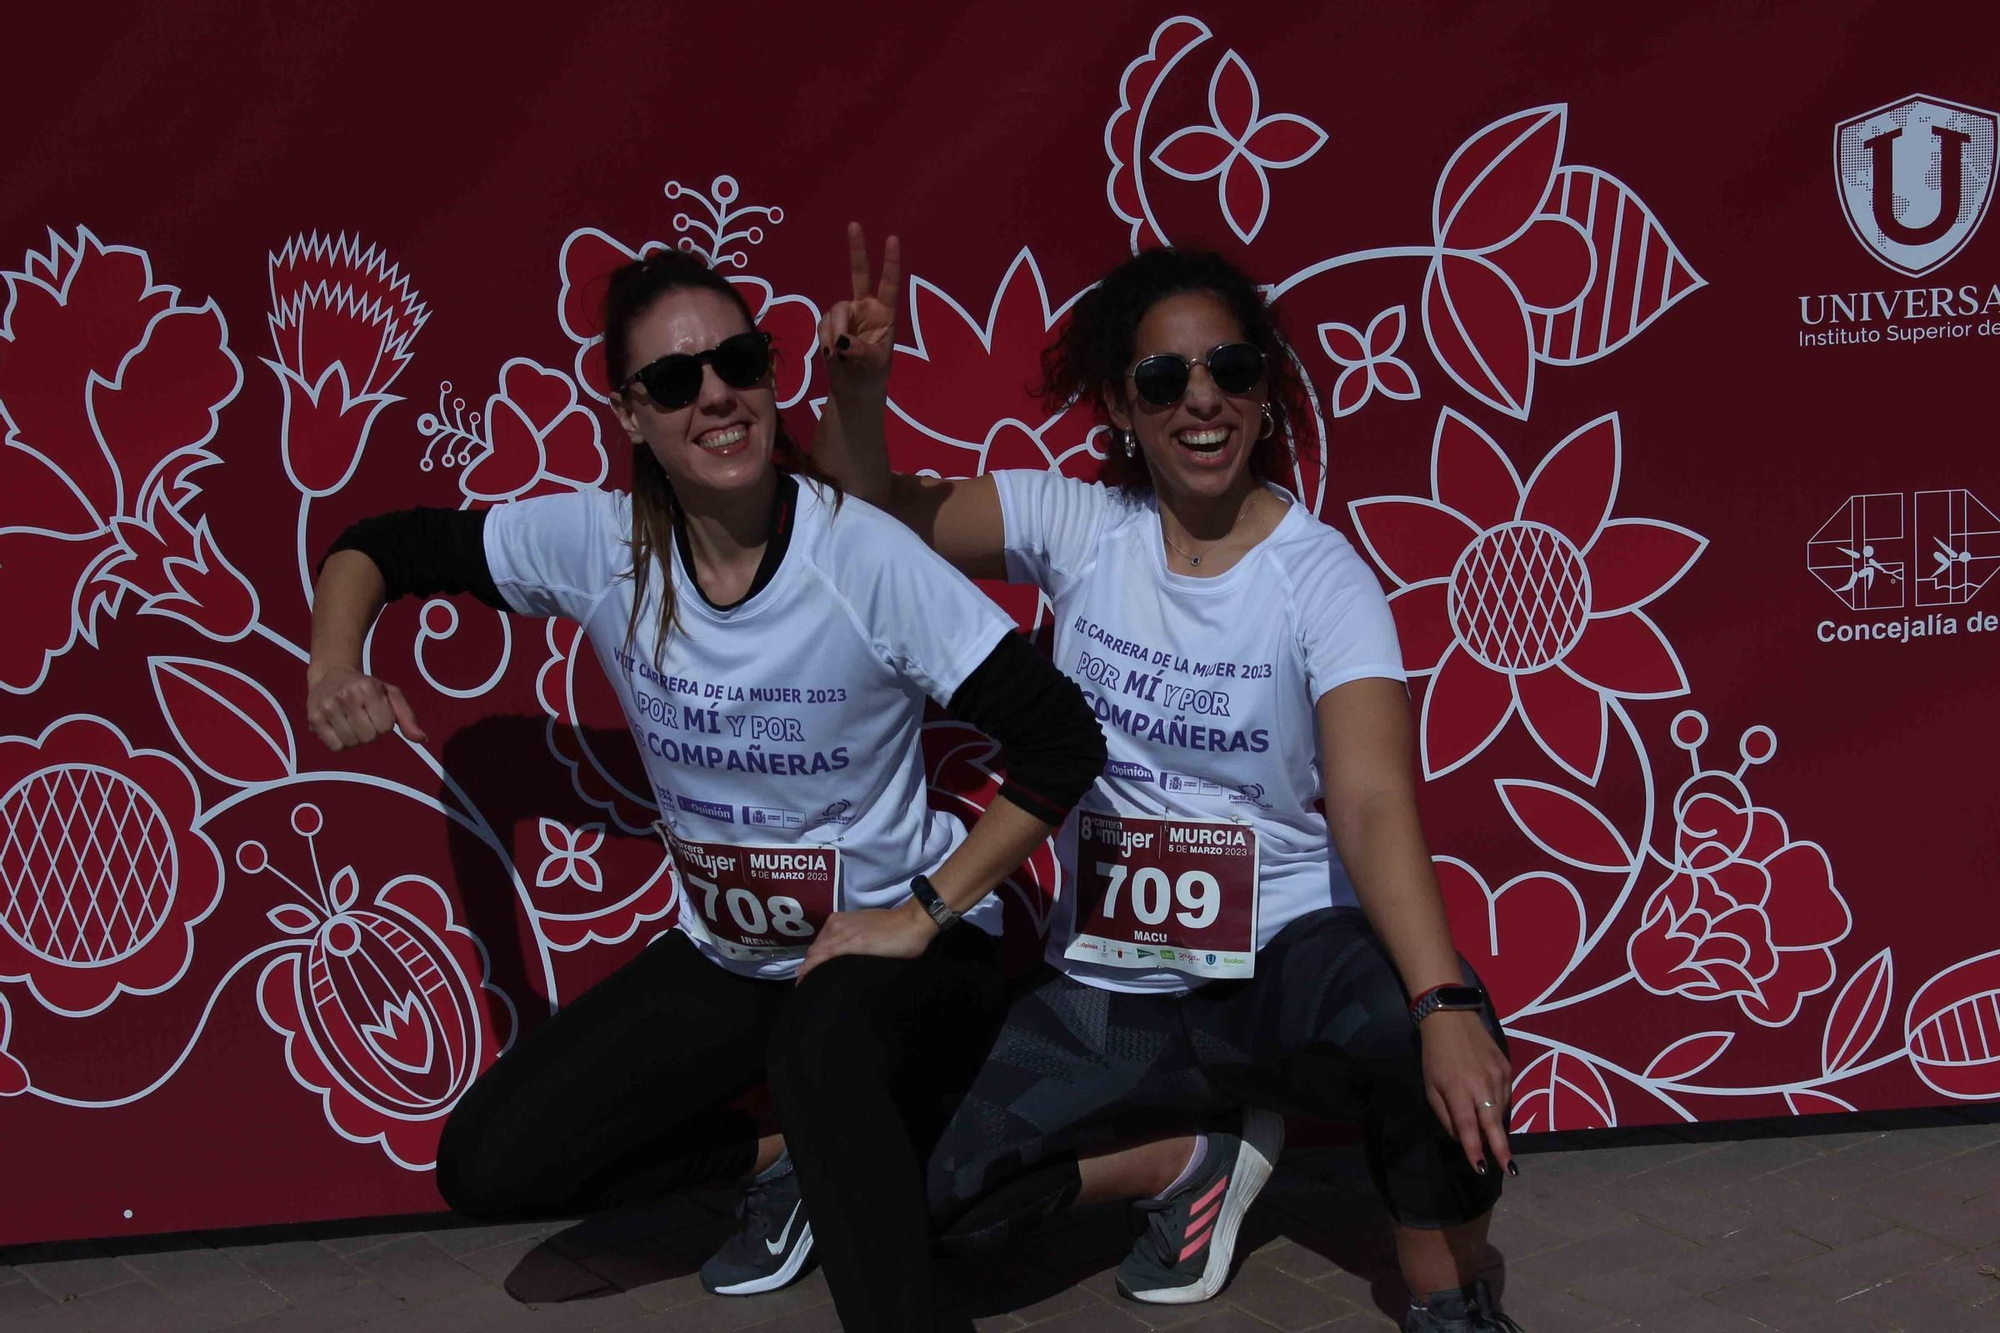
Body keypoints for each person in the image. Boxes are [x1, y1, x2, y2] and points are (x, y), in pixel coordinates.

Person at [304, 247, 1105, 1331]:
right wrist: (334, 665)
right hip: (735, 959)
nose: (715, 396)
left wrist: (917, 914)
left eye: (737, 361)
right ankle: (796, 1156)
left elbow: (1059, 739)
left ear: (771, 377)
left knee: (823, 1036)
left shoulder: (860, 559)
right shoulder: (597, 547)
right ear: (630, 413)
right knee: (491, 1163)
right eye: (674, 382)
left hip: (904, 956)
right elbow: (375, 547)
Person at [815, 231, 1522, 1332]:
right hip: (1108, 991)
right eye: (1163, 378)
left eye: (1230, 370)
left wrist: (1441, 1001)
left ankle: (1447, 1302)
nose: (1202, 401)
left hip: (1278, 969)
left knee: (1416, 1023)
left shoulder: (1320, 577)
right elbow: (880, 517)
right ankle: (1181, 1164)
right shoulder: (1080, 527)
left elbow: (1373, 797)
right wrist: (858, 397)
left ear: (1265, 393)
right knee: (918, 1207)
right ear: (1121, 404)